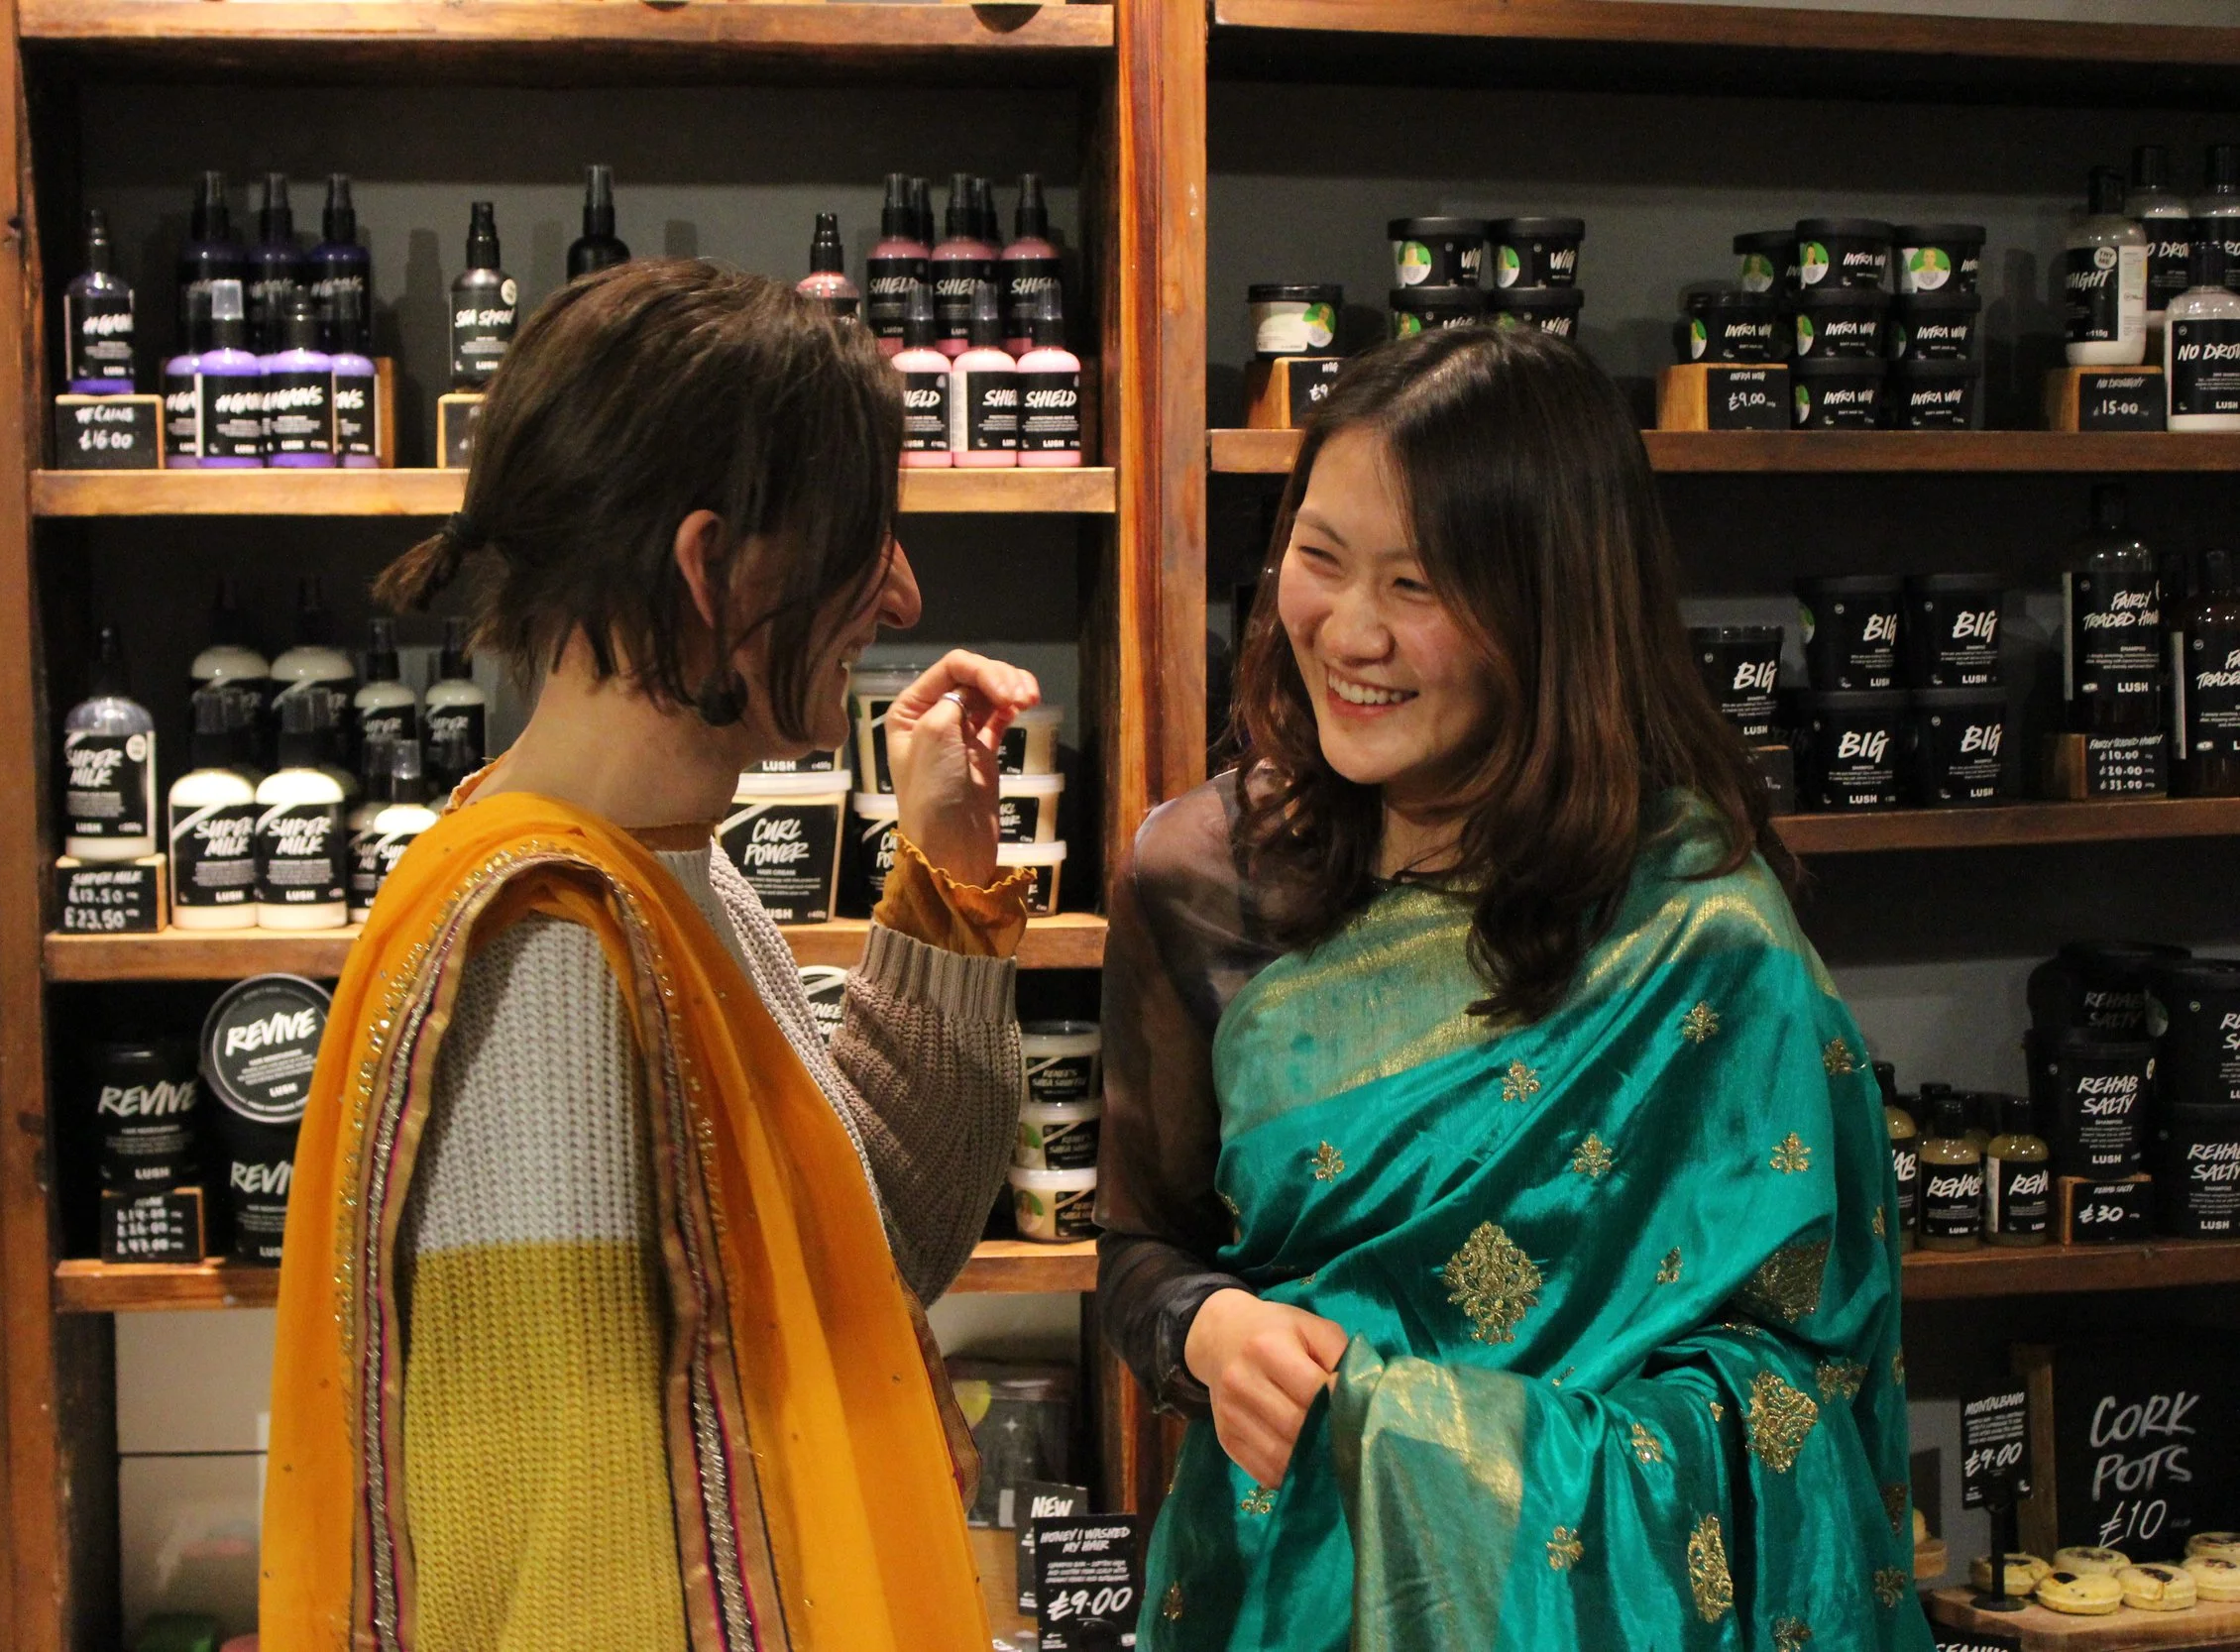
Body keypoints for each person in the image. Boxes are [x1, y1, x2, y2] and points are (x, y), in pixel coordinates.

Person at [1097, 327, 1930, 1650]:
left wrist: (1460, 1449)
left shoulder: (1700, 931)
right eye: (1319, 556)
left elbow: (1801, 1383)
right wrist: (1205, 1329)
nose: (1347, 632)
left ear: (1552, 611)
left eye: (1417, 583)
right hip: (1287, 1595)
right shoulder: (1198, 879)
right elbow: (1144, 1246)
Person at [262, 260, 1038, 1652]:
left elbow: (871, 1248)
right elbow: (587, 1582)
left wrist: (949, 876)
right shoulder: (550, 964)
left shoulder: (664, 871)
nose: (905, 595)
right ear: (710, 569)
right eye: (866, 539)